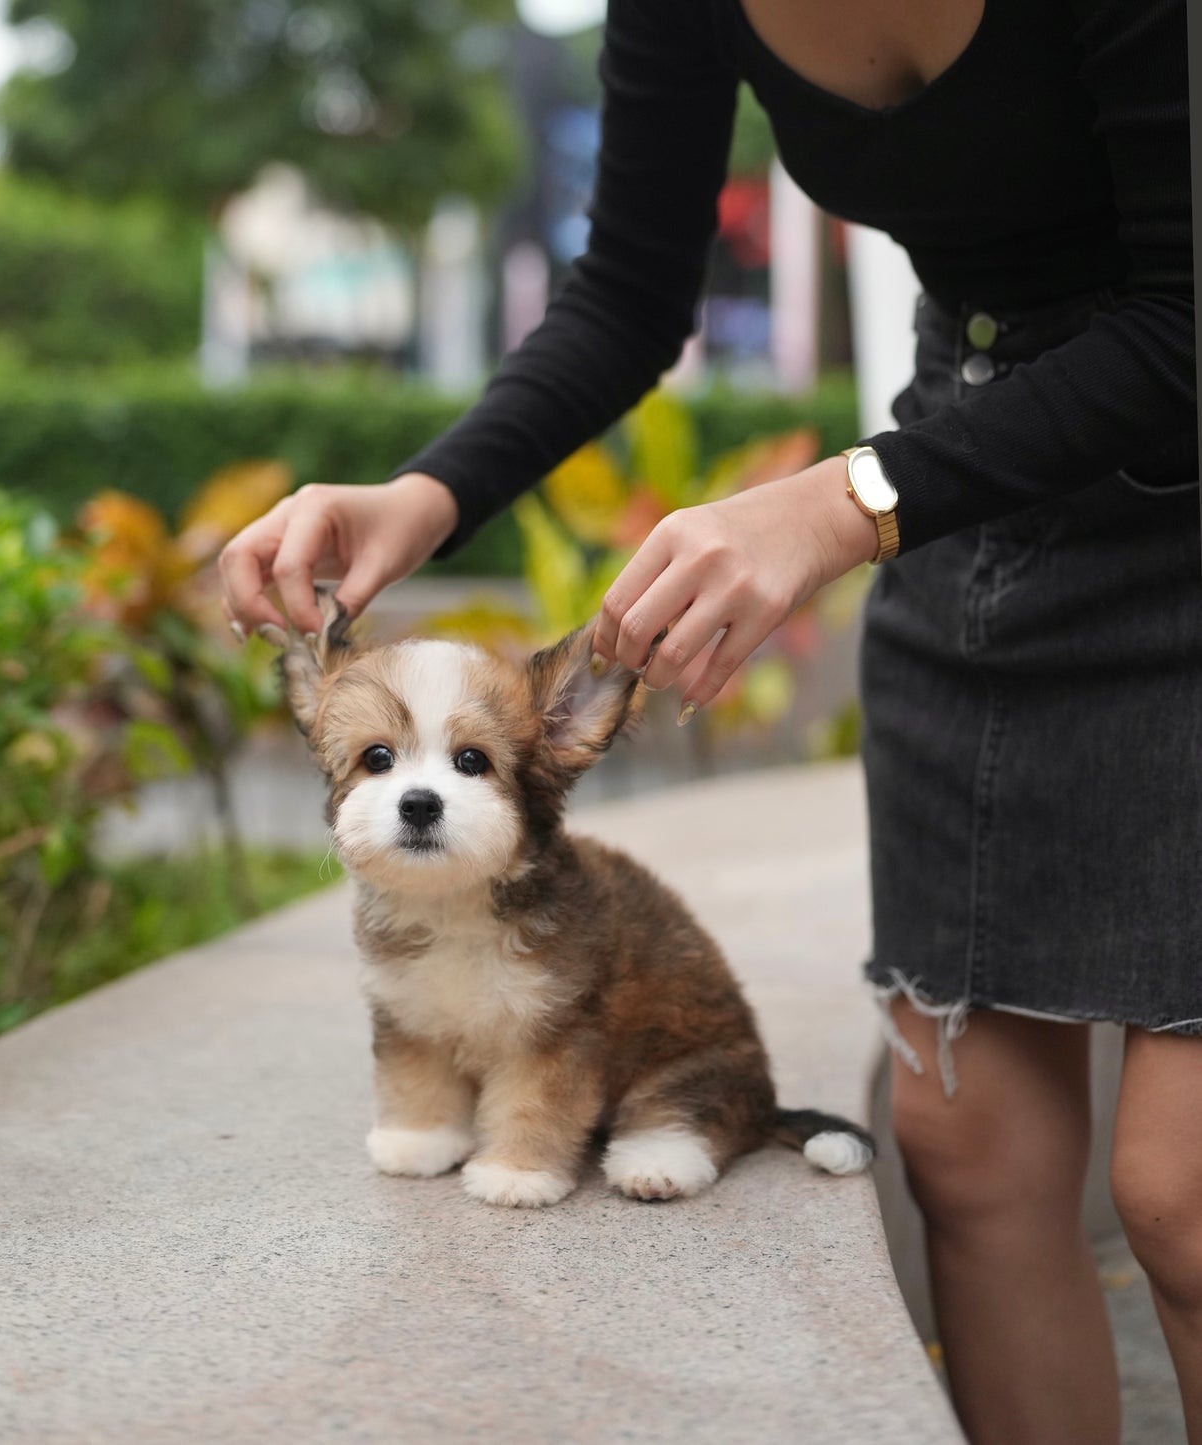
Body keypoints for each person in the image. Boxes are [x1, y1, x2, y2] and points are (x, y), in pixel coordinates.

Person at [220, 1, 1200, 1440]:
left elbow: (1183, 317)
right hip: (968, 500)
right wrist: (417, 498)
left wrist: (844, 498)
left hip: (1090, 491)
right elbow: (626, 291)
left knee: (1180, 1190)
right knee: (969, 1154)